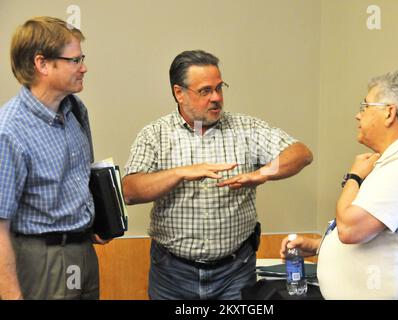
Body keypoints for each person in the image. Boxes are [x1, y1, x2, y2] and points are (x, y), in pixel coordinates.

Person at [122, 50, 313, 300]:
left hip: (235, 272)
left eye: (219, 88)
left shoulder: (246, 128)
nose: (216, 98)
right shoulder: (154, 135)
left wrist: (263, 173)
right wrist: (180, 173)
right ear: (179, 93)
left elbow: (301, 153)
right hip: (171, 274)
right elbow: (129, 191)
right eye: (205, 91)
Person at [280, 71, 398, 300]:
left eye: (365, 106)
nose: (358, 115)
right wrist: (320, 245)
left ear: (389, 113)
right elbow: (376, 237)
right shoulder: (395, 161)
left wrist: (354, 177)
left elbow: (350, 229)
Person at [0, 17, 109, 300]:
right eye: (74, 60)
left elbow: (78, 178)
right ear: (42, 64)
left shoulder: (75, 110)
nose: (84, 67)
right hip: (41, 258)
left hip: (82, 250)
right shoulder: (10, 130)